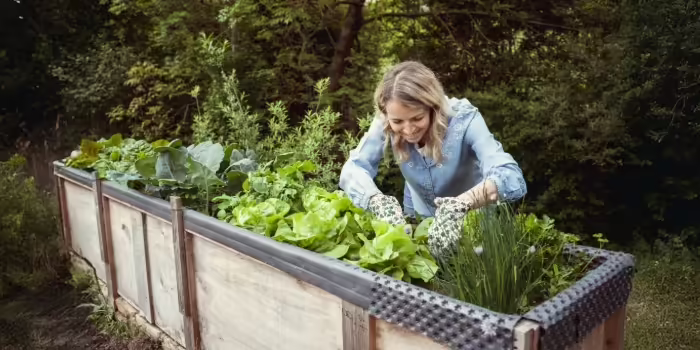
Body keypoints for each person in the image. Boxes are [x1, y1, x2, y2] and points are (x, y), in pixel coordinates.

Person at [339, 61, 527, 257]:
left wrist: (461, 204)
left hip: (474, 228)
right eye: (398, 122)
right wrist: (376, 201)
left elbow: (511, 176)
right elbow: (353, 168)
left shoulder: (464, 119)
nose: (408, 129)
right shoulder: (387, 119)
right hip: (418, 223)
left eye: (417, 118)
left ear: (433, 108)